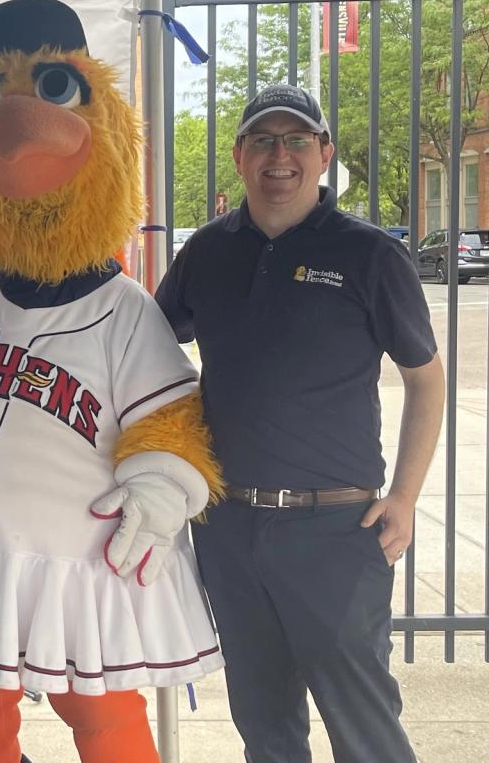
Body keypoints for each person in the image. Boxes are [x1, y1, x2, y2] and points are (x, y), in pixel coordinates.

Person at [155, 83, 446, 763]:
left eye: (295, 140)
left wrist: (405, 496)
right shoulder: (207, 251)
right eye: (262, 140)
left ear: (324, 154)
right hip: (228, 527)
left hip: (336, 530)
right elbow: (146, 346)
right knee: (265, 727)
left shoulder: (370, 254)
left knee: (365, 728)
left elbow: (426, 379)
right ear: (239, 156)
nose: (278, 156)